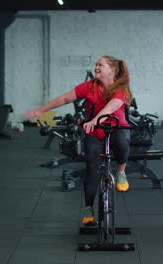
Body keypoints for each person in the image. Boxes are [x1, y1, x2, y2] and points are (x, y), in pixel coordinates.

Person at [25, 56, 132, 225]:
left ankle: (120, 172)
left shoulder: (121, 89)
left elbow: (109, 108)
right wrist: (41, 110)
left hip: (117, 128)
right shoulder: (90, 86)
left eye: (100, 65)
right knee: (91, 168)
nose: (96, 67)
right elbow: (66, 99)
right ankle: (88, 210)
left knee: (123, 142)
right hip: (94, 131)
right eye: (96, 64)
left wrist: (94, 120)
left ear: (112, 70)